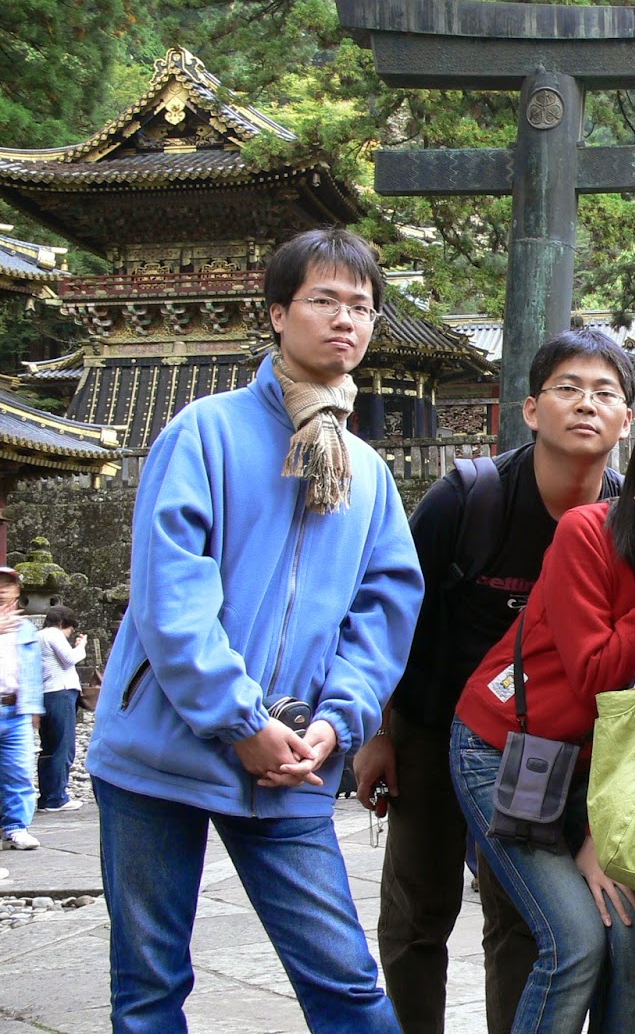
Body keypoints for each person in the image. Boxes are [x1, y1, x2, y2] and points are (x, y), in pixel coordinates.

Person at [86, 227, 425, 1032]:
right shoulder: (203, 432)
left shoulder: (367, 472)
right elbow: (172, 598)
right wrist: (240, 721)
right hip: (162, 751)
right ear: (277, 312)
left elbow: (382, 614)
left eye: (362, 307)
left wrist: (339, 721)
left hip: (295, 758)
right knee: (149, 986)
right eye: (324, 300)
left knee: (347, 985)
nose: (345, 319)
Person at [358, 329, 635, 1034]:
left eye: (605, 393)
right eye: (568, 388)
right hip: (431, 727)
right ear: (531, 409)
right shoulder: (469, 499)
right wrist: (379, 734)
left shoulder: (630, 521)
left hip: (541, 746)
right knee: (419, 910)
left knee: (520, 919)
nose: (586, 404)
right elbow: (392, 616)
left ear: (627, 419)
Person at [452, 395, 635, 1033]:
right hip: (509, 752)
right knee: (576, 942)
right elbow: (596, 679)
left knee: (628, 945)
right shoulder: (588, 531)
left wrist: (598, 833)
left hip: (604, 774)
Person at [0, 568, 43, 851]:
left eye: (7, 585)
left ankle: (16, 827)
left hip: (16, 709)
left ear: (16, 591)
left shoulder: (26, 628)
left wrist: (34, 708)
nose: (1, 590)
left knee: (19, 771)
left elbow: (33, 670)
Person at [36, 604, 87, 814]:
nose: (70, 633)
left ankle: (46, 797)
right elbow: (70, 659)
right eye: (70, 628)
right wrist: (81, 646)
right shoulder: (54, 634)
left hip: (44, 694)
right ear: (62, 622)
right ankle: (57, 798)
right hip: (61, 692)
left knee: (48, 748)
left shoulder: (38, 636)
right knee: (63, 746)